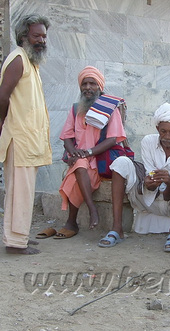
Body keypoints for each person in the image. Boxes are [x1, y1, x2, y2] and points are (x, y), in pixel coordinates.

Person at [98, 103, 170, 250]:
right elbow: (151, 181)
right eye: (163, 131)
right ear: (157, 129)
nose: (167, 136)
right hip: (149, 199)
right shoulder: (148, 141)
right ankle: (117, 228)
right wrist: (148, 183)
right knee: (121, 162)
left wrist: (169, 183)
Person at [49, 66, 128, 239]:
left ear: (99, 86)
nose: (88, 87)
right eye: (84, 83)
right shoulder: (76, 109)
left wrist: (89, 152)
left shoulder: (110, 107)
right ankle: (91, 211)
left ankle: (72, 222)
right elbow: (67, 136)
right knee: (78, 165)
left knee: (75, 172)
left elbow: (114, 138)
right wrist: (73, 153)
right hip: (80, 159)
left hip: (100, 158)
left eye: (92, 83)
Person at [0, 14, 51, 254]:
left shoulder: (32, 62)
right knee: (19, 192)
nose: (41, 40)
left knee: (24, 190)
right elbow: (2, 96)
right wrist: (3, 122)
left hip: (29, 140)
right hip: (19, 139)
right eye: (36, 35)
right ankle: (15, 244)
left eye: (44, 35)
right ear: (24, 37)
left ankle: (18, 236)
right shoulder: (18, 59)